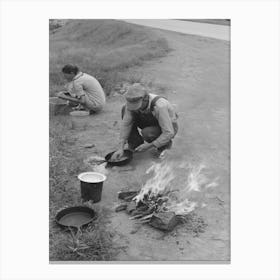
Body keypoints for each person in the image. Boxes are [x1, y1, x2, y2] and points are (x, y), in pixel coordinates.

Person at [111, 83, 178, 160]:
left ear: (145, 99)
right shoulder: (130, 105)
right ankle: (135, 145)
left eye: (137, 105)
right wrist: (120, 148)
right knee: (124, 109)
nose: (135, 108)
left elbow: (169, 132)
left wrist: (150, 145)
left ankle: (164, 146)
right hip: (150, 123)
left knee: (147, 133)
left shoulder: (160, 105)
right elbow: (126, 125)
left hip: (169, 128)